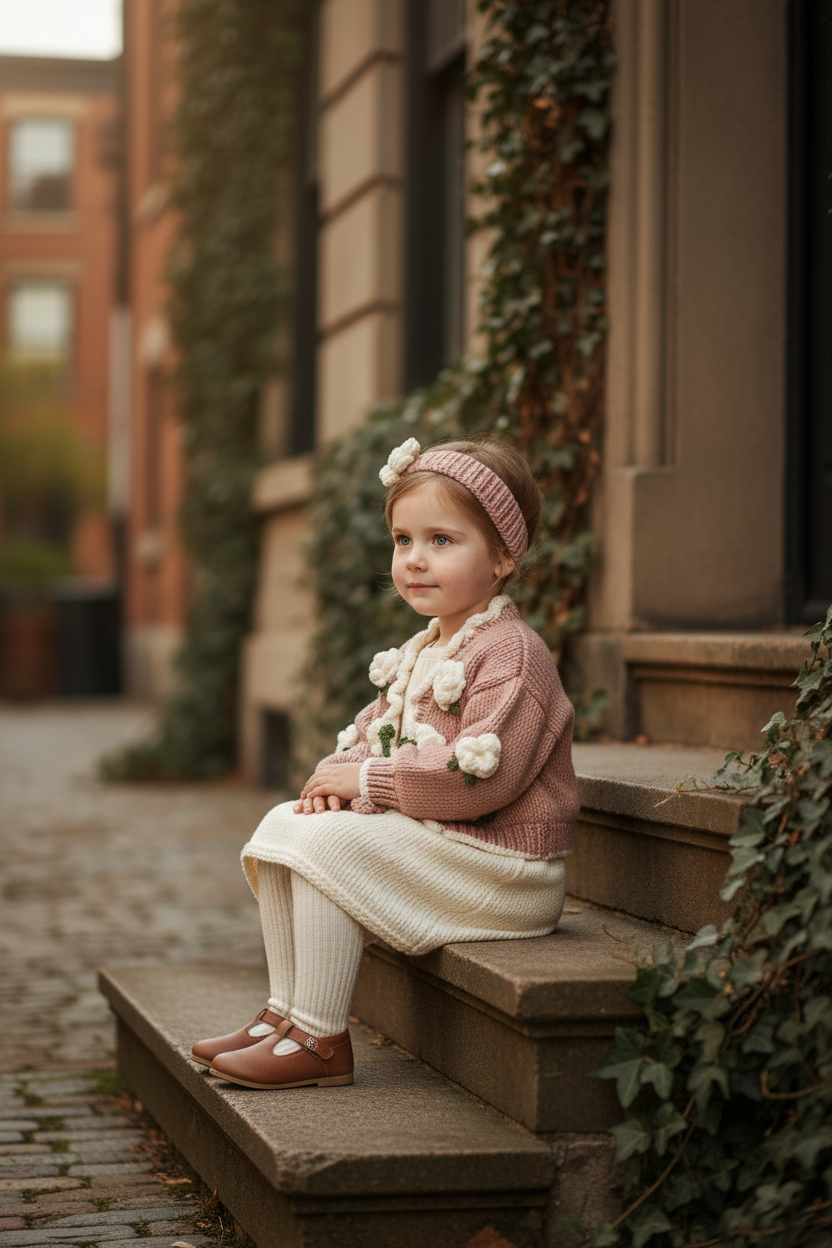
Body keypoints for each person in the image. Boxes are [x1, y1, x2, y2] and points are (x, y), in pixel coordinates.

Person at [192, 437, 580, 1090]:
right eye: (403, 540)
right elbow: (375, 737)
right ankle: (283, 1017)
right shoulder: (424, 647)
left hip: (505, 867)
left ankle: (319, 1037)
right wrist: (337, 780)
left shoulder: (512, 653)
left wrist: (368, 782)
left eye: (442, 541)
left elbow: (480, 780)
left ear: (504, 557)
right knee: (288, 824)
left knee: (332, 849)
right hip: (448, 845)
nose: (415, 560)